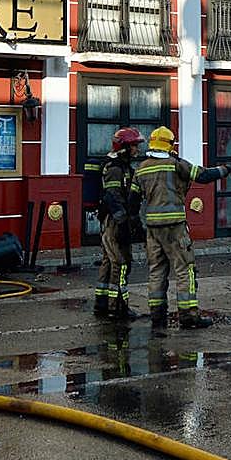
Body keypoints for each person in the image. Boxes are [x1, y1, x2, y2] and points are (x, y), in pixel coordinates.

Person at [132, 126, 231, 329]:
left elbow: (132, 200)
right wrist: (225, 169)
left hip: (152, 229)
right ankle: (189, 316)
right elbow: (202, 176)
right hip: (175, 228)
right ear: (169, 145)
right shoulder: (175, 164)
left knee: (156, 271)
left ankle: (157, 315)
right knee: (185, 270)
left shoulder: (141, 168)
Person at [94, 127, 145, 321]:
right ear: (124, 147)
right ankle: (118, 307)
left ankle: (102, 303)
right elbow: (112, 196)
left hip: (115, 221)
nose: (137, 149)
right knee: (121, 263)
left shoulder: (122, 167)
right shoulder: (115, 169)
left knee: (108, 262)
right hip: (114, 222)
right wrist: (124, 223)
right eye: (134, 145)